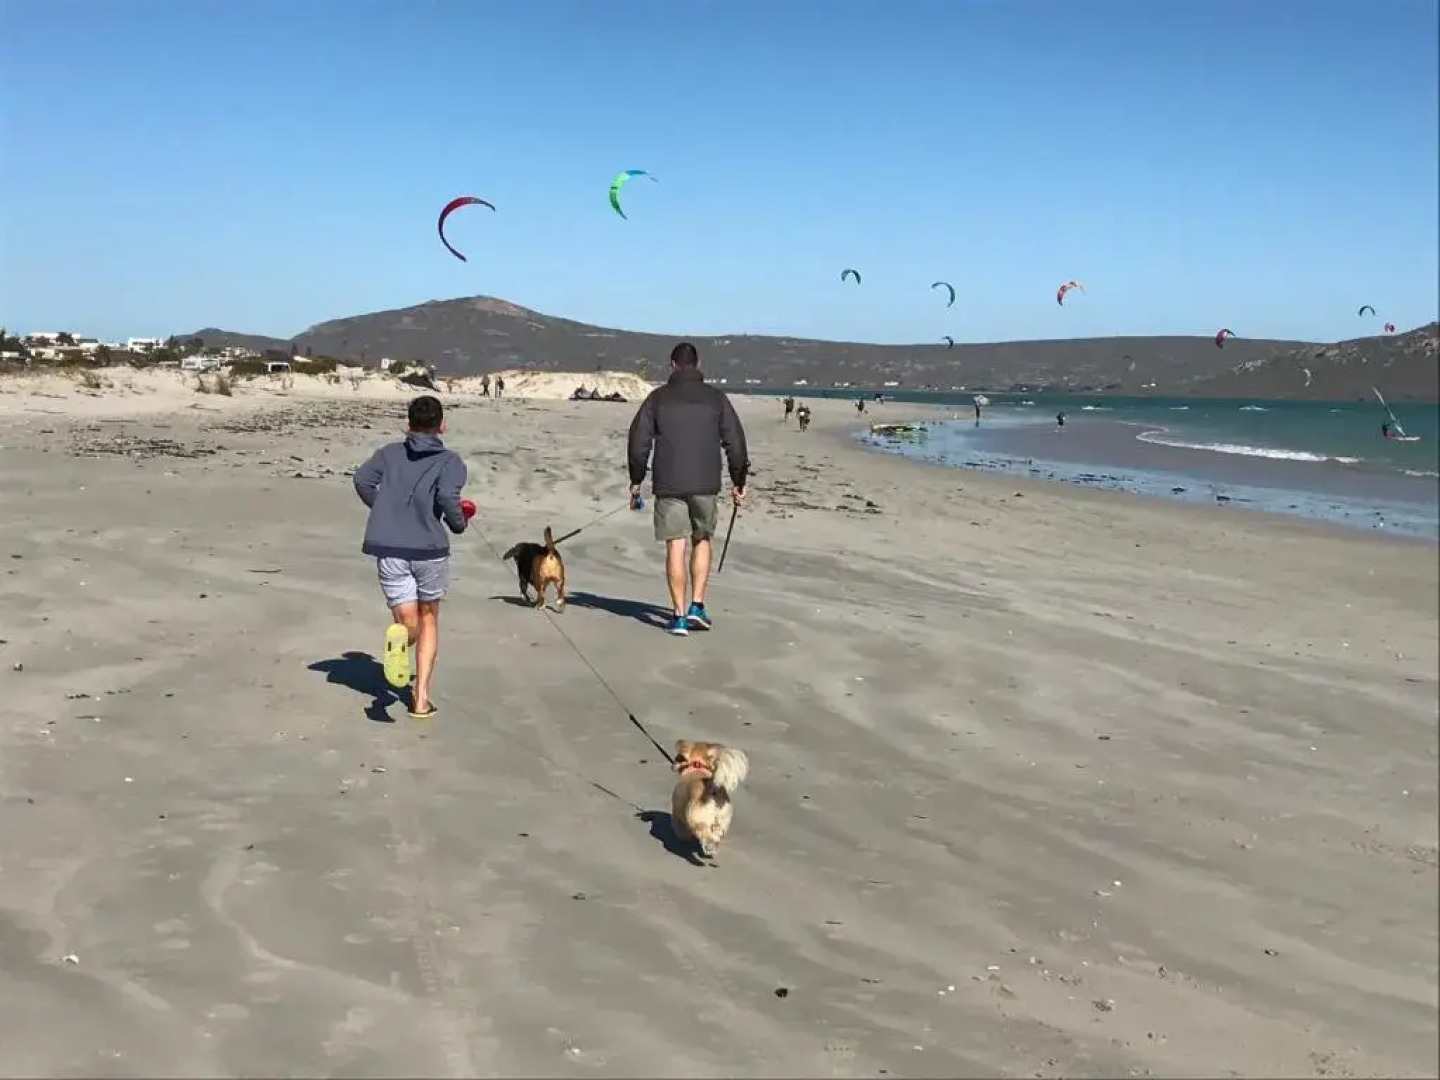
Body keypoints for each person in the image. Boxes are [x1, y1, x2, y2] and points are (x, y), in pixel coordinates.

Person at [352, 395, 470, 719]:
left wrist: (383, 509)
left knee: (406, 622)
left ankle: (400, 644)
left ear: (408, 424)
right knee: (428, 617)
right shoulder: (451, 461)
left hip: (389, 548)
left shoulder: (389, 454)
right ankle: (420, 699)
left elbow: (362, 480)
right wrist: (459, 523)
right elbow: (448, 497)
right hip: (428, 549)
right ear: (442, 425)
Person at [627, 341, 749, 636]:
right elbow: (735, 441)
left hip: (669, 482)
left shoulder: (658, 399)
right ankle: (697, 604)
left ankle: (679, 615)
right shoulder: (715, 398)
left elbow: (638, 442)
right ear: (698, 364)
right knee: (702, 539)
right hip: (705, 482)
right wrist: (739, 479)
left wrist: (636, 478)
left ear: (672, 365)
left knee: (675, 545)